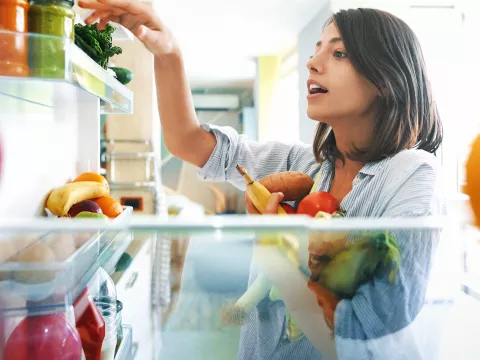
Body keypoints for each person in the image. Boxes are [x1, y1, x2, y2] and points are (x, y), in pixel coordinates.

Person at [78, 1, 446, 359]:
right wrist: (168, 52)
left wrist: (277, 255)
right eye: (317, 49)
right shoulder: (306, 164)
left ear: (385, 78)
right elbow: (188, 142)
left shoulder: (412, 175)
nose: (312, 62)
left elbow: (366, 333)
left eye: (338, 54)